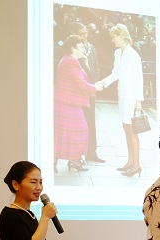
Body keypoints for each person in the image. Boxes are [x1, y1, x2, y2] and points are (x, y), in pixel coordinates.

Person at [99, 23, 145, 178]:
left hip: (132, 97)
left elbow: (139, 78)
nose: (112, 40)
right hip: (122, 96)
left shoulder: (133, 55)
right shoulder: (117, 53)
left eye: (114, 37)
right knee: (126, 129)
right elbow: (115, 73)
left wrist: (139, 101)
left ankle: (137, 165)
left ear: (121, 36)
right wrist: (104, 82)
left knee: (132, 131)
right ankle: (130, 162)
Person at [54, 35, 102, 174]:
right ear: (73, 47)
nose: (83, 49)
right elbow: (80, 83)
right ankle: (58, 162)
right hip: (66, 103)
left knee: (66, 132)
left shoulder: (70, 60)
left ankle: (72, 160)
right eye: (81, 46)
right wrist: (96, 87)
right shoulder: (70, 62)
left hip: (67, 103)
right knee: (74, 131)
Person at [71, 22, 105, 164]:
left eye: (86, 33)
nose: (85, 36)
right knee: (78, 124)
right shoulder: (73, 49)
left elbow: (96, 68)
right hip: (79, 92)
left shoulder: (92, 48)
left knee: (91, 122)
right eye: (81, 33)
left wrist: (94, 87)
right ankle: (76, 155)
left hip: (91, 91)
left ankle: (91, 152)